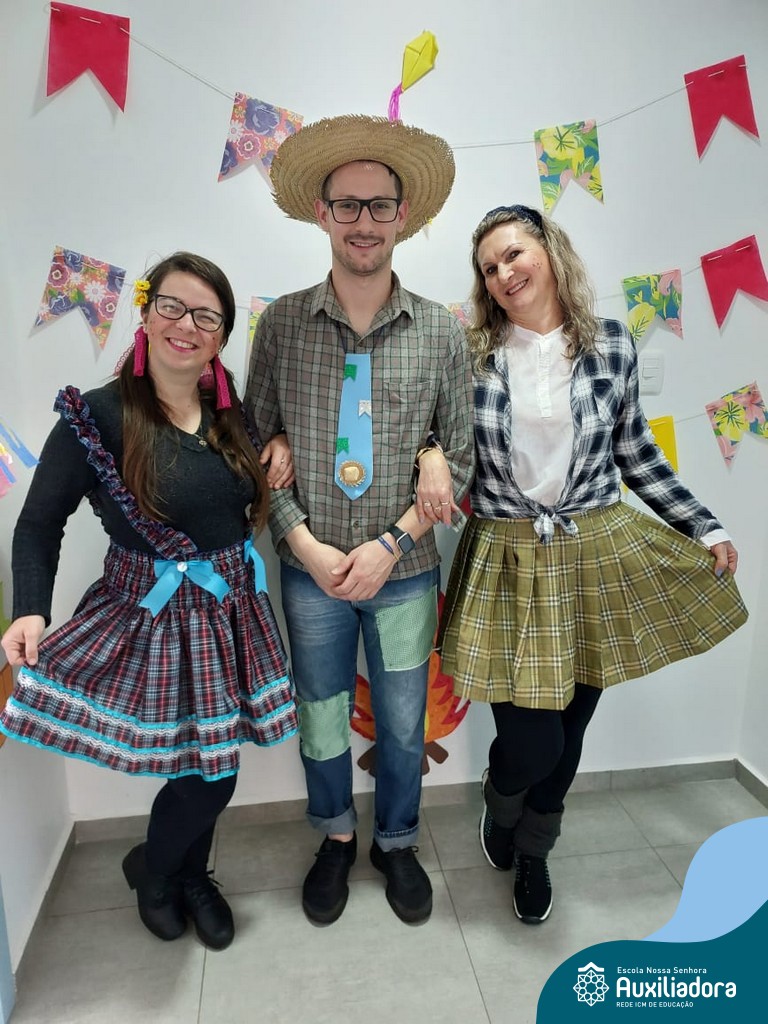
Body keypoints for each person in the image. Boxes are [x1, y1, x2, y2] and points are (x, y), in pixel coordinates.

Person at [437, 205, 748, 926]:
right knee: (531, 740)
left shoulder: (610, 344)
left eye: (514, 254)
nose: (504, 273)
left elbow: (635, 451)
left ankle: (535, 848)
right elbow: (440, 439)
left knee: (571, 730)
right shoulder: (469, 353)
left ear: (548, 251)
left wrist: (703, 523)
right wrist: (427, 459)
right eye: (489, 267)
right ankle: (500, 801)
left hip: (594, 553)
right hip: (507, 557)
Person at [0, 252, 298, 950]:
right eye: (172, 306)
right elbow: (39, 523)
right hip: (152, 618)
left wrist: (278, 442)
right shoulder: (97, 417)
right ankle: (159, 874)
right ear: (145, 310)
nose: (186, 325)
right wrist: (31, 608)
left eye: (206, 317)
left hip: (231, 612)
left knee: (213, 763)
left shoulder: (231, 416)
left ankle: (187, 873)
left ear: (221, 336)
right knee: (200, 773)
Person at [246, 115, 474, 926]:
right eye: (348, 205)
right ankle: (337, 837)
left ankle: (398, 841)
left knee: (405, 724)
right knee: (320, 716)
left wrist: (391, 543)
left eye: (379, 206)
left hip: (404, 571)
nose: (364, 222)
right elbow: (252, 451)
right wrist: (303, 544)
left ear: (403, 215)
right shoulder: (280, 325)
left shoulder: (442, 331)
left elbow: (461, 459)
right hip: (310, 573)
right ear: (323, 213)